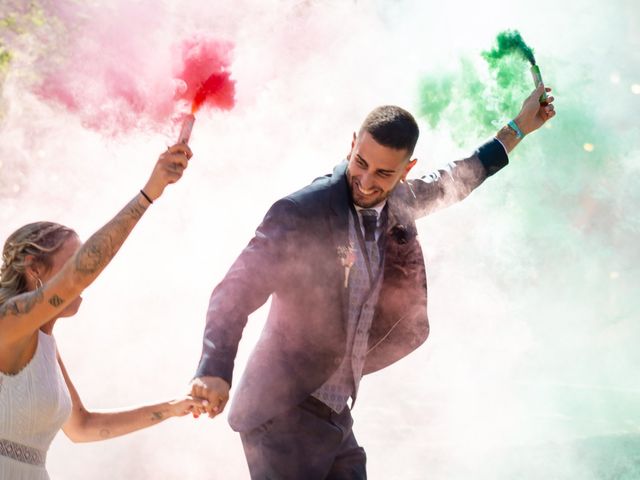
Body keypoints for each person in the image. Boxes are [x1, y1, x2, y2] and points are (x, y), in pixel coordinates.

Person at [190, 84, 556, 479]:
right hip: (282, 413)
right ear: (351, 146)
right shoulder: (302, 213)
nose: (366, 181)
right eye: (360, 163)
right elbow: (235, 291)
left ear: (406, 171)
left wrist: (519, 127)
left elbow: (460, 176)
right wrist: (214, 367)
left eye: (383, 173)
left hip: (334, 414)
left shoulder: (399, 203)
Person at [0, 143, 200, 479]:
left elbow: (83, 427)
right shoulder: (8, 320)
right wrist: (149, 194)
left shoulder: (46, 345)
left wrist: (171, 409)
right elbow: (77, 277)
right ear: (34, 268)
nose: (84, 279)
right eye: (72, 264)